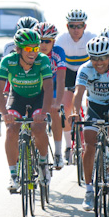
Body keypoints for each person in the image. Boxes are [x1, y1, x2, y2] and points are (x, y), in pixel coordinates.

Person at [72, 36, 109, 212]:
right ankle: (89, 190)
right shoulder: (84, 69)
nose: (98, 62)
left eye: (103, 58)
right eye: (94, 58)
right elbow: (78, 92)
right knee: (89, 144)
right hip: (94, 106)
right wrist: (75, 112)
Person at [0, 29, 55, 193]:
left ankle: (43, 164)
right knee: (12, 130)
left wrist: (44, 112)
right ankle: (13, 174)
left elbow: (49, 88)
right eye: (28, 49)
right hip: (17, 97)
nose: (33, 53)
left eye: (36, 48)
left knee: (38, 127)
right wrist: (4, 114)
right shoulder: (8, 61)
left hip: (38, 97)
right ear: (18, 49)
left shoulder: (42, 60)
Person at [54, 9, 96, 164]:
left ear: (85, 26)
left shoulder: (92, 38)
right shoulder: (61, 40)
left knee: (92, 102)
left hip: (86, 71)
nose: (76, 30)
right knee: (65, 108)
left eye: (80, 26)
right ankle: (68, 146)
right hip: (69, 72)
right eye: (72, 26)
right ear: (67, 26)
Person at [36, 21, 68, 169]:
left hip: (54, 87)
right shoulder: (31, 53)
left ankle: (58, 153)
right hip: (36, 88)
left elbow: (61, 79)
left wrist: (58, 102)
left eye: (47, 41)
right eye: (40, 40)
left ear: (53, 41)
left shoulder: (58, 52)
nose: (43, 45)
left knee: (55, 112)